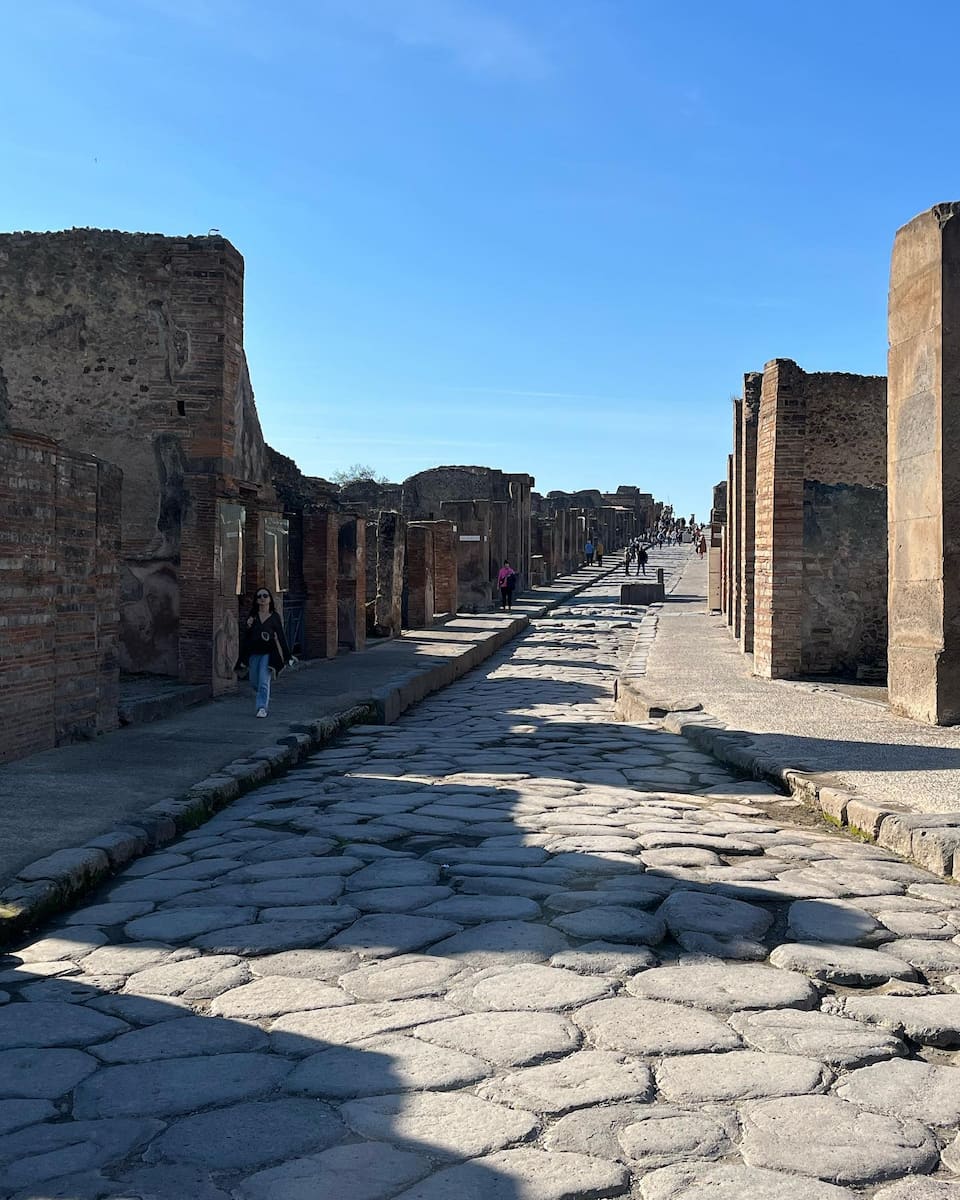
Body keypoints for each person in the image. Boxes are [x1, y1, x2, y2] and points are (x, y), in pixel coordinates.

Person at [236, 586, 295, 717]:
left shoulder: (274, 617)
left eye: (265, 596)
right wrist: (248, 626)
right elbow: (246, 637)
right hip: (254, 653)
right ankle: (262, 694)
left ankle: (262, 707)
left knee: (263, 681)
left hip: (269, 653)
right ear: (256, 600)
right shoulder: (253, 617)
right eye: (259, 596)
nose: (262, 598)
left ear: (270, 599)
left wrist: (287, 655)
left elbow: (281, 636)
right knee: (254, 682)